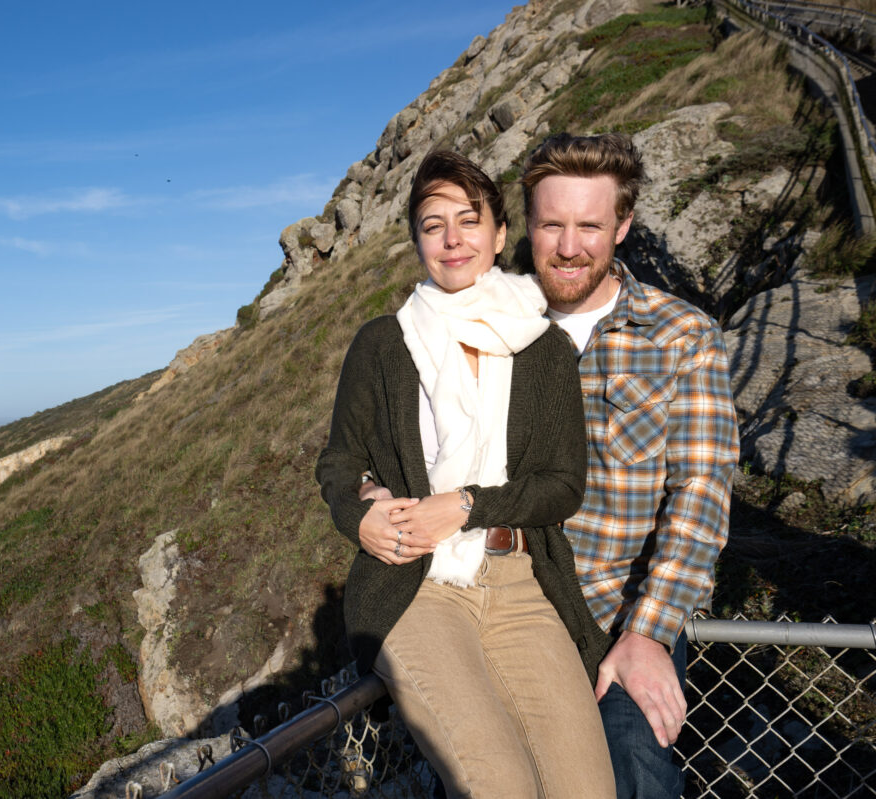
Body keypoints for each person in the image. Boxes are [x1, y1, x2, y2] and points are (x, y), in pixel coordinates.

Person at [316, 150, 615, 798]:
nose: (451, 238)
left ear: (500, 234)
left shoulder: (546, 349)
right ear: (417, 240)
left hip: (519, 586)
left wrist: (465, 504)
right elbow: (340, 460)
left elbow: (564, 484)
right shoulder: (382, 344)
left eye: (467, 219)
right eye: (431, 223)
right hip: (416, 588)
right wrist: (360, 508)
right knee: (499, 786)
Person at [520, 132, 740, 798]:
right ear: (525, 225)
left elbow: (700, 487)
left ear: (624, 225)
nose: (568, 244)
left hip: (620, 619)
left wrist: (648, 632)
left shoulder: (683, 336)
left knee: (633, 774)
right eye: (551, 223)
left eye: (590, 224)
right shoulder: (486, 333)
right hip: (506, 621)